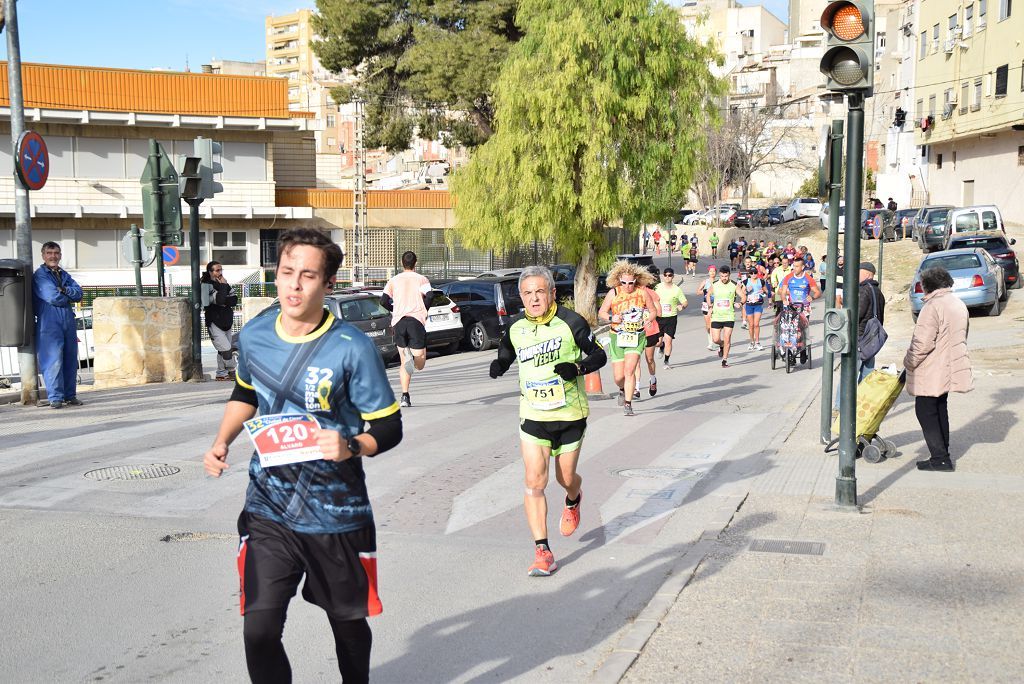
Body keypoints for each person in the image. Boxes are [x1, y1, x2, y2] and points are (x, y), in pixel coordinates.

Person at [203, 228, 404, 684]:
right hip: (268, 508)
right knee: (259, 629)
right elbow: (245, 391)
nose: (294, 285)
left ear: (327, 285)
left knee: (348, 625)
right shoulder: (254, 335)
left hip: (335, 513)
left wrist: (353, 445)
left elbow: (389, 427)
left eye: (308, 276)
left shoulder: (352, 348)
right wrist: (222, 440)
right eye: (286, 273)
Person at [489, 266, 607, 575]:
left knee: (565, 478)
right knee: (534, 481)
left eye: (540, 291)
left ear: (552, 293)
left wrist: (577, 368)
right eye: (527, 293)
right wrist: (499, 364)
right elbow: (506, 351)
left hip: (570, 414)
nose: (533, 298)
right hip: (533, 415)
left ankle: (573, 498)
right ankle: (542, 550)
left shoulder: (571, 322)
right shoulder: (515, 326)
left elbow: (599, 356)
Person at [904, 266, 972, 472]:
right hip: (948, 364)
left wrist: (909, 361)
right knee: (940, 407)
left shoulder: (932, 307)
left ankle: (940, 457)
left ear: (927, 286)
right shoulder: (957, 303)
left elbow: (922, 343)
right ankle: (943, 452)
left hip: (931, 367)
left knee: (925, 411)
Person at [598, 261, 658, 416]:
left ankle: (628, 404)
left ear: (635, 281)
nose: (627, 286)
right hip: (617, 336)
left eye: (631, 283)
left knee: (630, 370)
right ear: (619, 280)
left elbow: (653, 311)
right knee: (619, 377)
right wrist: (612, 317)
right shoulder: (614, 293)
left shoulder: (642, 292)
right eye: (624, 282)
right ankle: (622, 389)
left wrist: (649, 319)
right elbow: (602, 312)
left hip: (636, 336)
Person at [32, 241, 84, 409]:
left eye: (56, 253)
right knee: (53, 360)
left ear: (60, 255)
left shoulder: (64, 274)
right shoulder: (40, 275)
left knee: (70, 358)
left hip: (68, 320)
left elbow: (79, 293)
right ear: (43, 255)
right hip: (49, 321)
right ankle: (55, 397)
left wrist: (64, 290)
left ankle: (70, 395)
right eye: (49, 253)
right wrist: (66, 293)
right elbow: (53, 297)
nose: (53, 256)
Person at [832, 262, 886, 412]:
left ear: (868, 274)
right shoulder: (878, 292)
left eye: (859, 272)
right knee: (867, 376)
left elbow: (855, 315)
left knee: (848, 374)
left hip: (858, 339)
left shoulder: (863, 291)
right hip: (871, 341)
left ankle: (839, 406)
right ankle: (862, 405)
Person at [382, 251, 432, 408]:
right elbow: (430, 296)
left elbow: (383, 300)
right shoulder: (421, 279)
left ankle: (405, 396)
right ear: (415, 263)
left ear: (402, 263)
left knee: (404, 362)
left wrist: (394, 309)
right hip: (415, 321)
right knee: (420, 362)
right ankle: (414, 358)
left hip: (399, 323)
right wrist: (424, 310)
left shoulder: (393, 280)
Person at [201, 261, 238, 381]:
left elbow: (234, 300)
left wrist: (223, 298)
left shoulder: (223, 283)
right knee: (227, 348)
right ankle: (232, 370)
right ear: (210, 272)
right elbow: (219, 300)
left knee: (222, 349)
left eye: (221, 270)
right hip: (214, 321)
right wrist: (223, 290)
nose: (220, 273)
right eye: (217, 270)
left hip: (226, 320)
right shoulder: (206, 285)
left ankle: (221, 373)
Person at [706, 266, 745, 368]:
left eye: (726, 276)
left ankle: (724, 360)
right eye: (722, 276)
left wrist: (740, 304)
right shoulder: (715, 284)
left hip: (729, 316)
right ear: (719, 275)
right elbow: (708, 295)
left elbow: (744, 296)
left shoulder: (734, 285)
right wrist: (710, 306)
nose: (724, 278)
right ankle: (721, 345)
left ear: (729, 275)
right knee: (715, 339)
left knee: (727, 338)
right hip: (716, 316)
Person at [654, 267, 688, 369]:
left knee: (669, 340)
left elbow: (685, 302)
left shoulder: (677, 289)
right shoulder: (657, 287)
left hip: (671, 318)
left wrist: (682, 306)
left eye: (669, 275)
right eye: (665, 275)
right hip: (659, 317)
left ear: (673, 276)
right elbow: (650, 298)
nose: (667, 277)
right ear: (663, 276)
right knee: (657, 342)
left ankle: (666, 361)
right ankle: (661, 346)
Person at [742, 267, 766, 351]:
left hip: (758, 304)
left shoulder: (761, 281)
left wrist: (763, 292)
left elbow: (766, 291)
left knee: (756, 324)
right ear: (749, 274)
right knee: (751, 325)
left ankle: (758, 342)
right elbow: (742, 293)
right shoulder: (746, 281)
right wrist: (747, 291)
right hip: (749, 305)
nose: (753, 275)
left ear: (757, 273)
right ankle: (752, 342)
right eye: (751, 273)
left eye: (755, 273)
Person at [698, 265, 718, 351]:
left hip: (716, 304)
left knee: (714, 323)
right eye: (711, 271)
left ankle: (713, 342)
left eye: (714, 271)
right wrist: (704, 291)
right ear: (708, 272)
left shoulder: (718, 282)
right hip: (706, 304)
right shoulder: (705, 281)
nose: (712, 273)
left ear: (716, 272)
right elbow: (698, 292)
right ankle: (710, 341)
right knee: (708, 325)